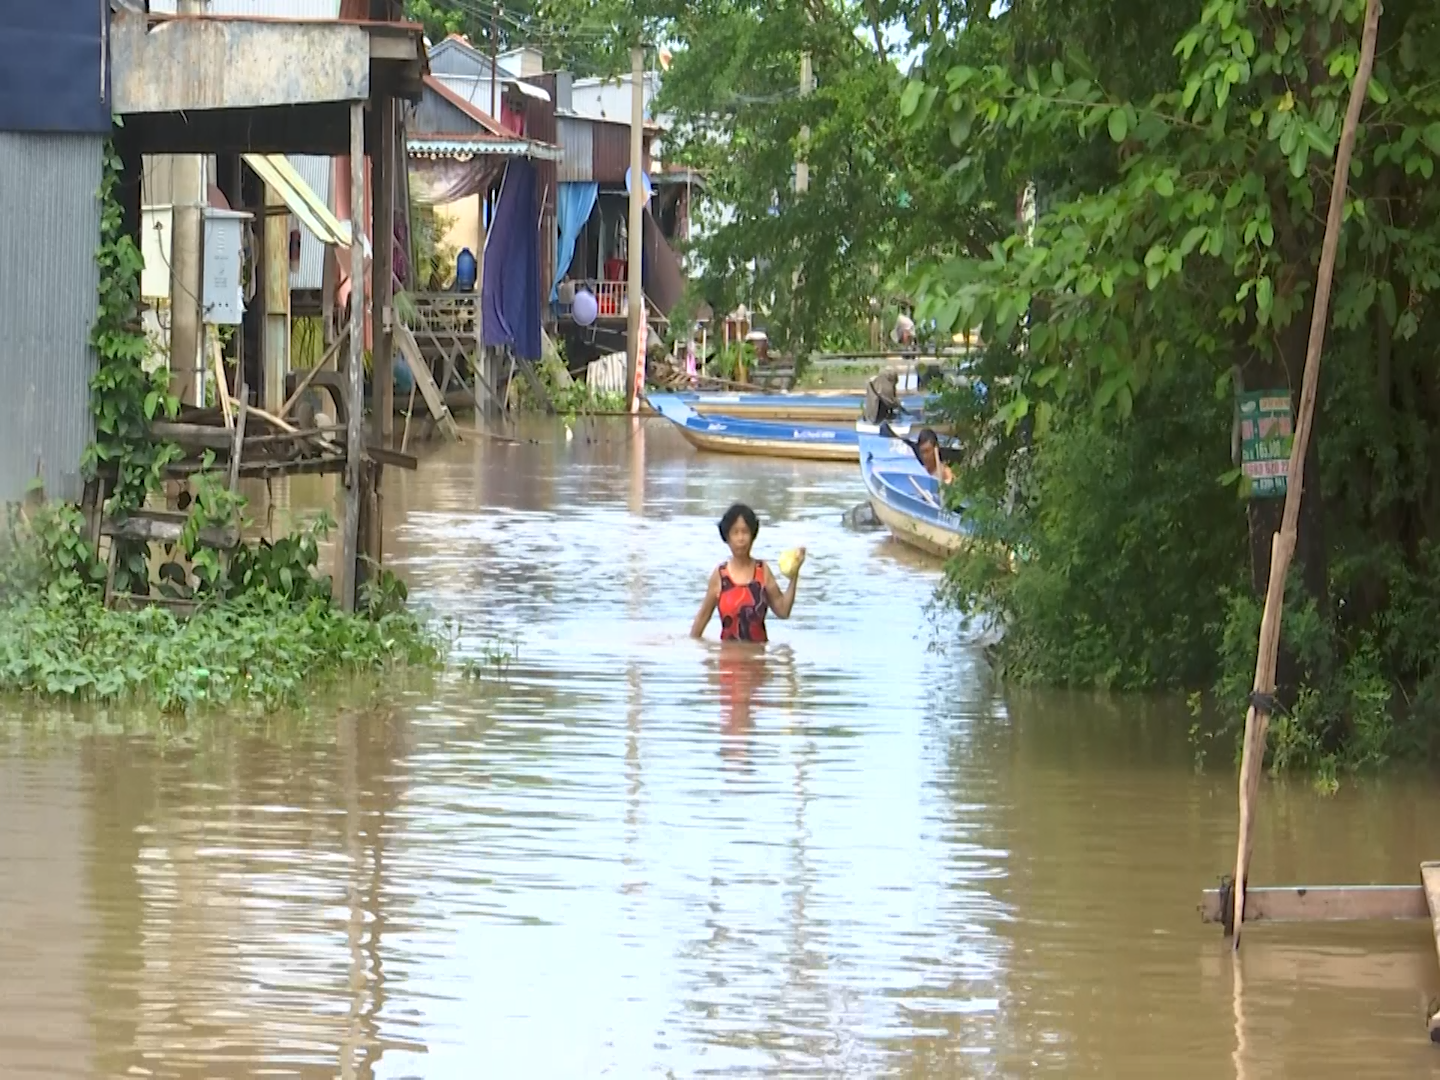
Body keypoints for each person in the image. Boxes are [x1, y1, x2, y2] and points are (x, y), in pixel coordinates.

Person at [690, 503, 805, 642]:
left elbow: (783, 611)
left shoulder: (762, 571)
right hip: (727, 659)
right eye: (735, 532)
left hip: (759, 659)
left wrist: (794, 574)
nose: (740, 539)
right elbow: (701, 619)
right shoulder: (720, 575)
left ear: (752, 535)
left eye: (745, 532)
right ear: (727, 536)